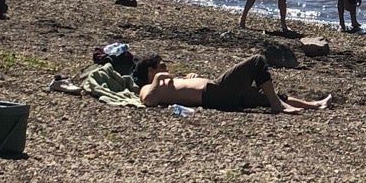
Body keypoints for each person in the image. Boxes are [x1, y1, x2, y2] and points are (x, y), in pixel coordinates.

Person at [133, 52, 330, 114]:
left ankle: (314, 105)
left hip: (216, 95)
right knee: (257, 61)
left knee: (263, 95)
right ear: (150, 71)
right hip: (214, 94)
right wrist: (160, 79)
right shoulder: (148, 87)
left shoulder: (164, 83)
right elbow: (149, 100)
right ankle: (277, 105)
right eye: (162, 67)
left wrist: (189, 79)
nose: (166, 70)